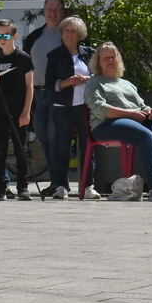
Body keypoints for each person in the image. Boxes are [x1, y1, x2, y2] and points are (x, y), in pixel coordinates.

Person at [86, 42, 152, 202]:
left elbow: (142, 105)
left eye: (113, 57)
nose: (110, 61)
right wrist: (131, 113)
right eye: (106, 58)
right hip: (106, 124)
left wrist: (149, 111)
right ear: (98, 62)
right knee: (146, 135)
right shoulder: (94, 82)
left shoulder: (126, 84)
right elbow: (101, 109)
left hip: (134, 120)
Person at [42, 16, 95, 200]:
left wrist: (86, 79)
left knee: (87, 145)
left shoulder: (89, 54)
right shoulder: (54, 55)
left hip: (85, 105)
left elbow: (99, 77)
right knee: (61, 146)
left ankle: (88, 185)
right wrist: (66, 83)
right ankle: (61, 185)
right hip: (62, 106)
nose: (69, 34)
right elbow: (49, 84)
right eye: (66, 30)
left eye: (73, 30)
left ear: (80, 34)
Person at [0, 19, 33, 201]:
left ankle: (23, 186)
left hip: (18, 108)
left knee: (20, 147)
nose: (2, 39)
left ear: (14, 36)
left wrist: (26, 112)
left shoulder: (23, 58)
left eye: (6, 35)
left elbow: (30, 87)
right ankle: (0, 187)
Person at [23, 0, 64, 189]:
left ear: (62, 12)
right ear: (43, 11)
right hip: (37, 95)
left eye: (57, 9)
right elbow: (24, 67)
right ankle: (55, 182)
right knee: (44, 138)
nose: (53, 13)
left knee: (56, 138)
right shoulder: (34, 37)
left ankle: (60, 183)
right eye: (49, 9)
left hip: (60, 95)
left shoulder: (68, 35)